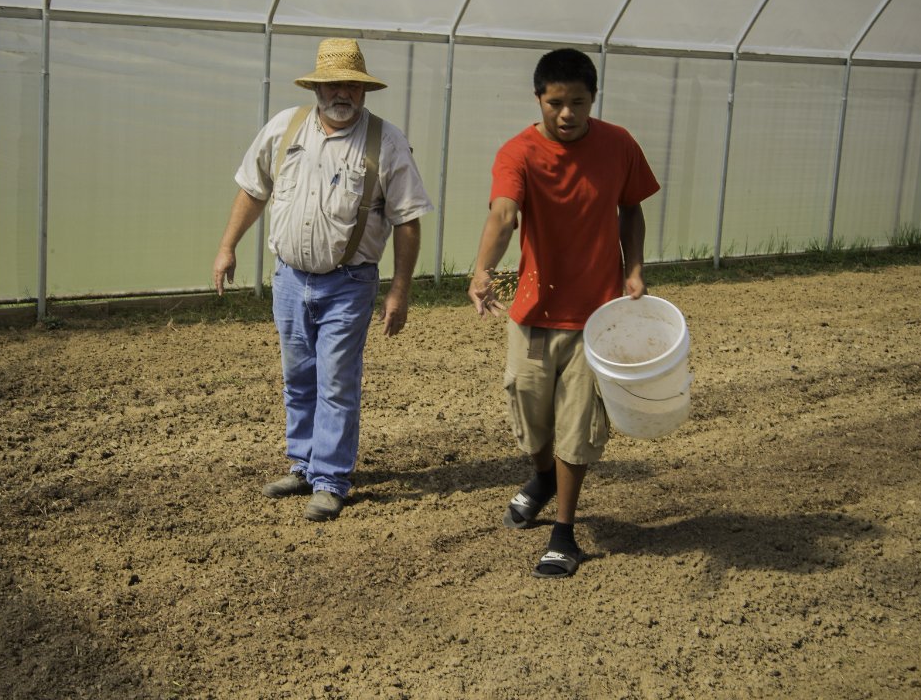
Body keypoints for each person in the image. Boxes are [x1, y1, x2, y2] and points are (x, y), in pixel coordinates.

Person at [212, 38, 434, 522]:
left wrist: (400, 288)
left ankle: (331, 479)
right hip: (290, 279)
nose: (342, 93)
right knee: (298, 377)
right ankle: (303, 463)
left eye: (352, 86)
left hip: (349, 282)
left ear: (363, 91)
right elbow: (253, 190)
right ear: (317, 86)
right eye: (333, 83)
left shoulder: (386, 142)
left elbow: (408, 219)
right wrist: (228, 246)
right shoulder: (285, 128)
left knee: (336, 381)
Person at [467, 48, 660, 578]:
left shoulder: (618, 145)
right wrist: (483, 270)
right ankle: (543, 475)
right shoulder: (519, 153)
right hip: (533, 310)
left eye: (579, 102)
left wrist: (634, 269)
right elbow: (504, 213)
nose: (568, 113)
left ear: (593, 99)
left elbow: (632, 207)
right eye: (557, 103)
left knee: (578, 424)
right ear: (539, 99)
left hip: (596, 317)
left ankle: (564, 533)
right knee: (530, 416)